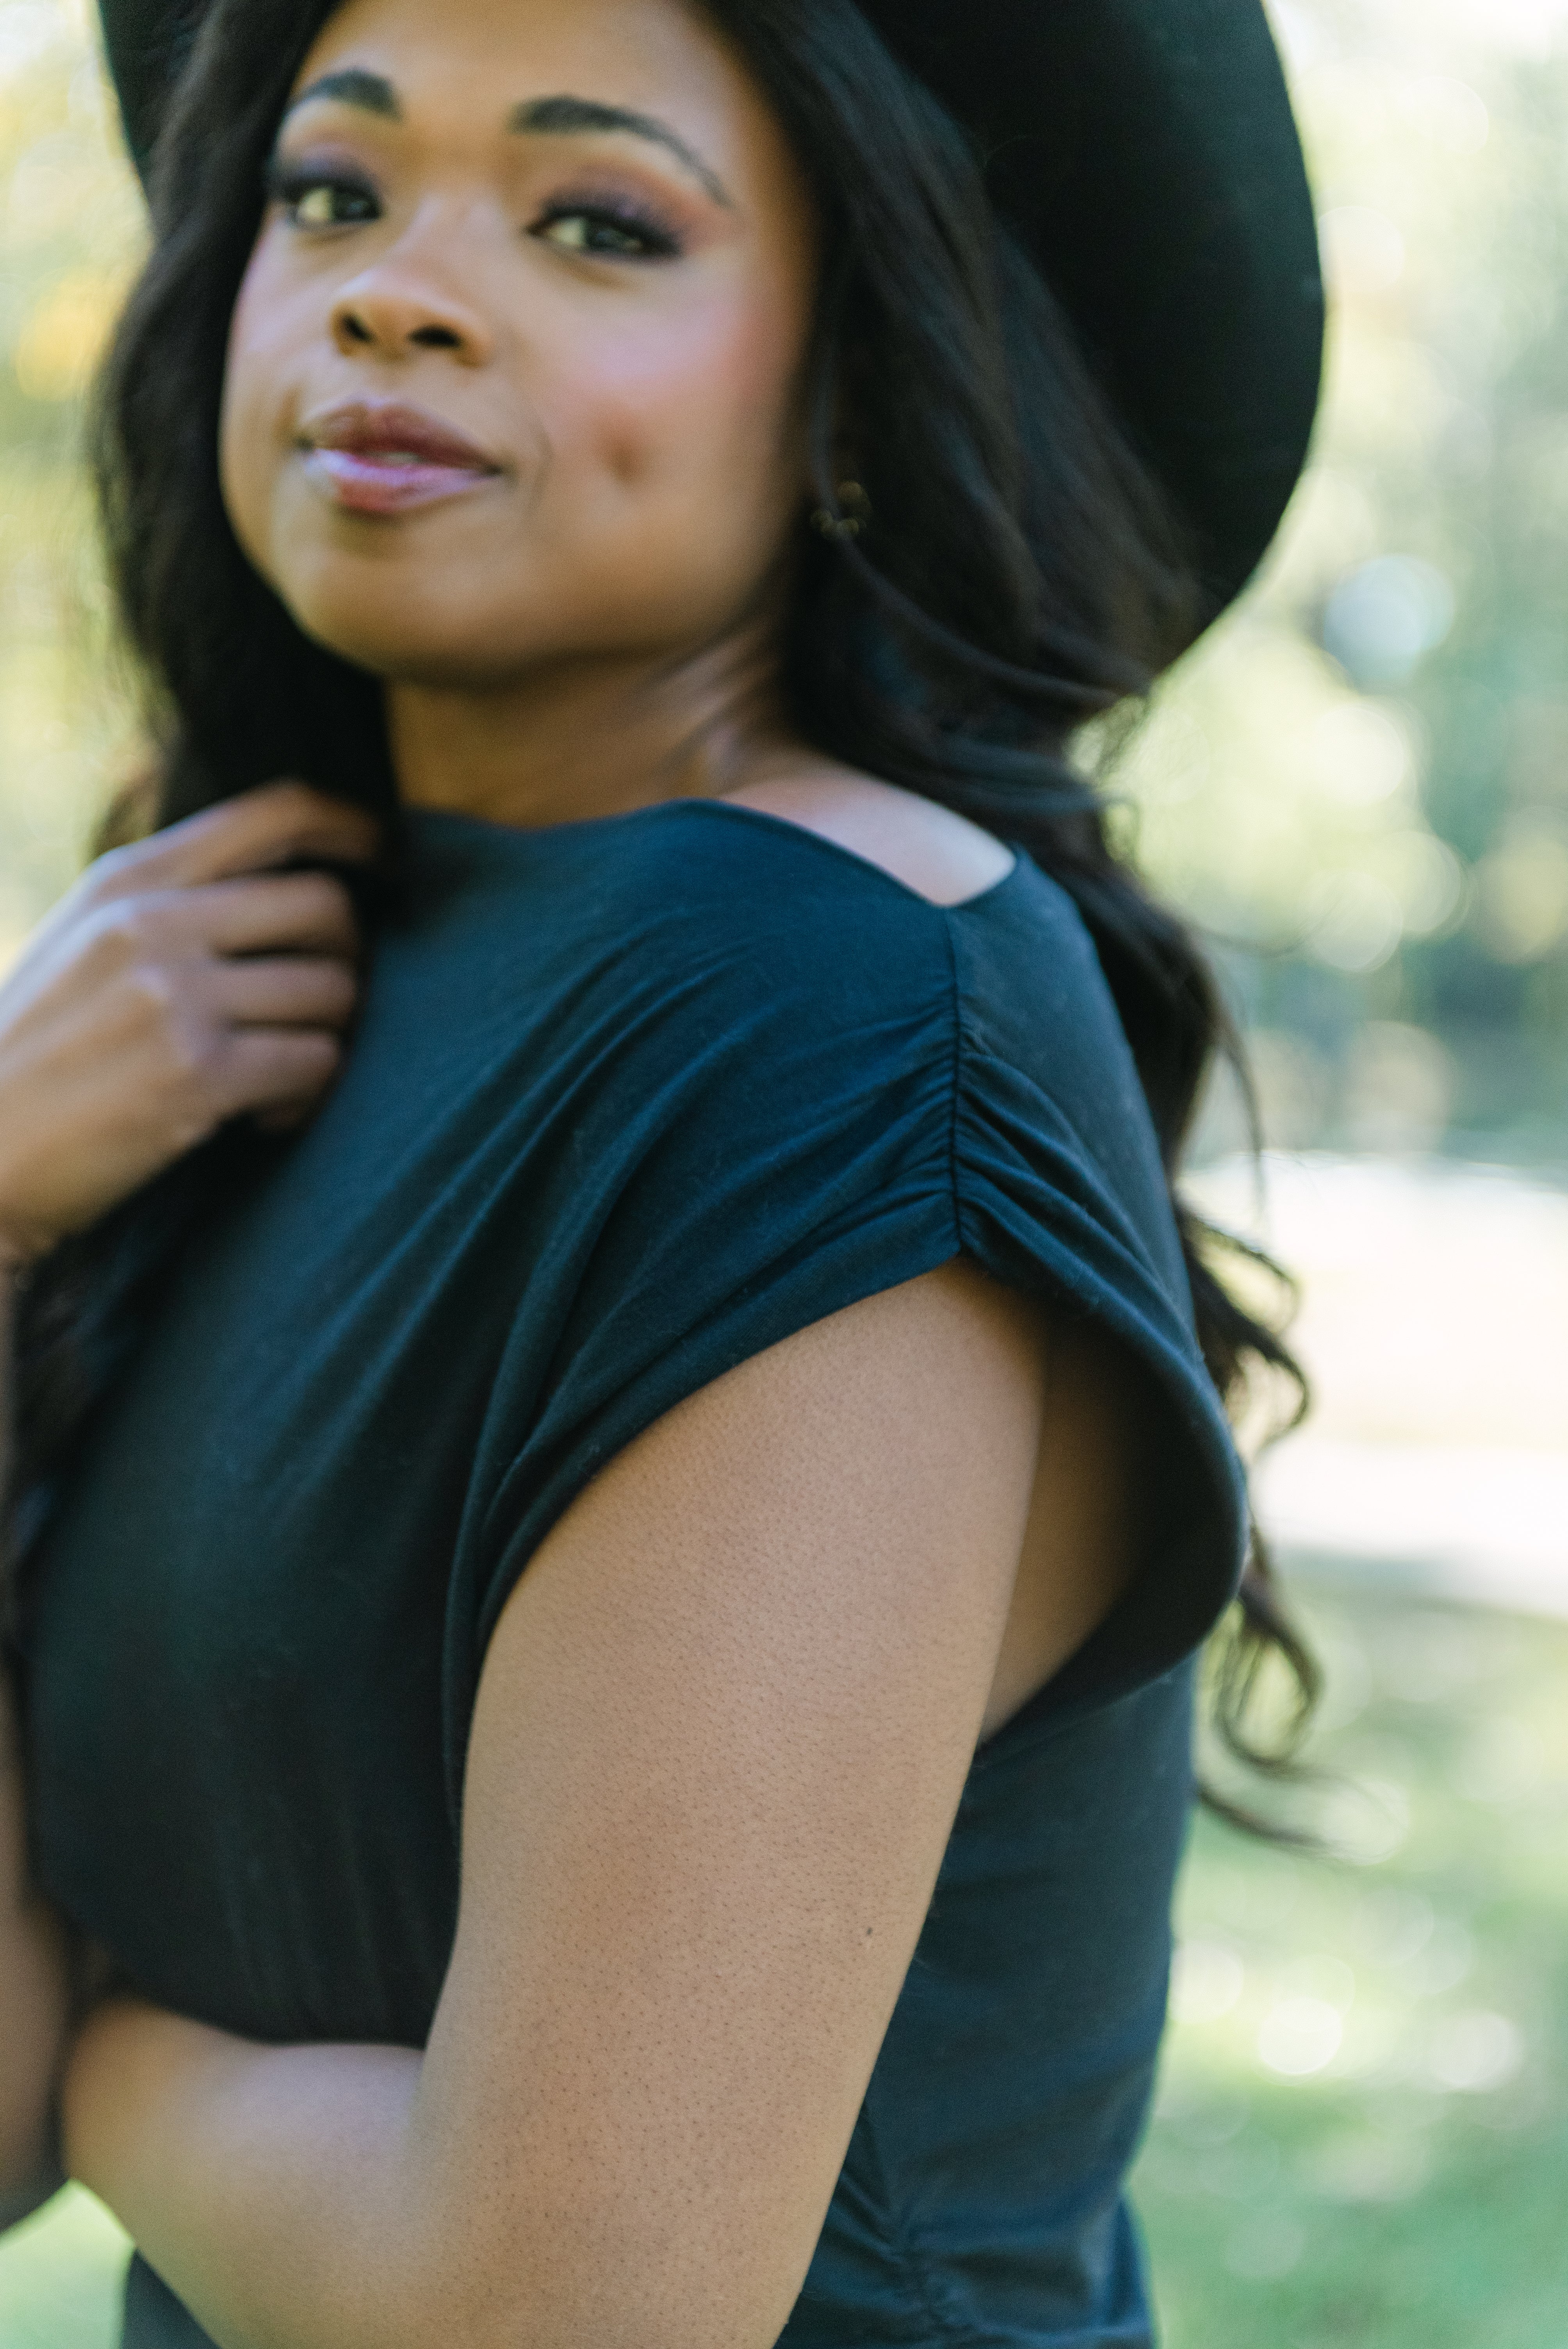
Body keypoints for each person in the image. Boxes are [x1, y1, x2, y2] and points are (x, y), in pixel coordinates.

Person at [0, 0, 1323, 2342]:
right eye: (334, 190)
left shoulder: (826, 1001)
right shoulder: (247, 975)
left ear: (849, 387)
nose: (397, 293)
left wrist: (109, 2061)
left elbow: (559, 2312)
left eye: (600, 221)